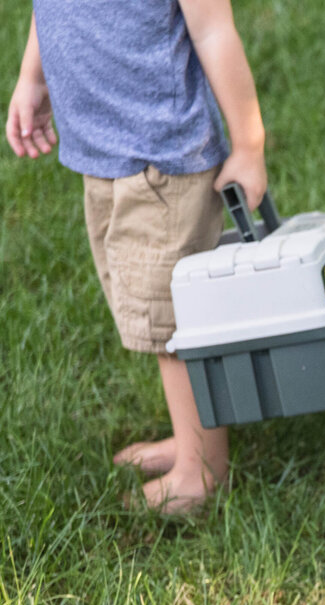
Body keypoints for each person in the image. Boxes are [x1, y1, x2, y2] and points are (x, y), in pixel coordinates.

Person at [6, 0, 268, 514]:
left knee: (171, 324)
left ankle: (201, 473)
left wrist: (249, 145)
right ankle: (191, 437)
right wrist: (31, 76)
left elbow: (215, 31)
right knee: (150, 310)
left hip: (163, 162)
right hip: (104, 157)